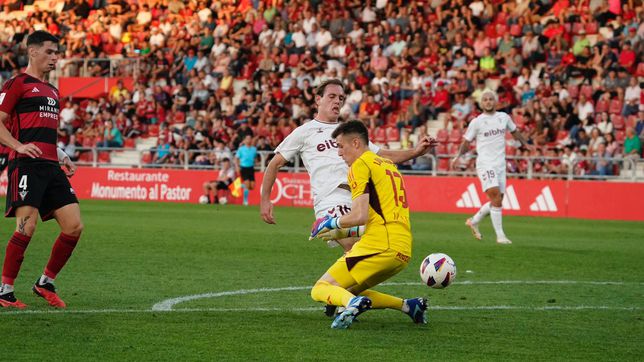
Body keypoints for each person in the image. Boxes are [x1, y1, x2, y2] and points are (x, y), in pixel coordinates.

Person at [260, 79, 435, 252]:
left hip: (360, 197)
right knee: (355, 244)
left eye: (341, 98)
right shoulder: (305, 132)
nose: (337, 101)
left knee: (371, 249)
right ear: (318, 100)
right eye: (332, 96)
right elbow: (274, 164)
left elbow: (382, 155)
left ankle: (339, 280)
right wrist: (265, 199)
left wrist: (416, 151)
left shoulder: (348, 131)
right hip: (331, 199)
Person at [308, 120, 427, 329]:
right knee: (349, 289)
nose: (339, 154)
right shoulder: (388, 165)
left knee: (319, 288)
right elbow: (377, 219)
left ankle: (351, 305)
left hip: (379, 245)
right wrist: (341, 232)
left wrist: (329, 222)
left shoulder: (360, 165)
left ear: (355, 143)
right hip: (402, 250)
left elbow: (359, 215)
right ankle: (409, 306)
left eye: (341, 147)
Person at [0, 31, 82, 309]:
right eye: (50, 52)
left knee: (74, 227)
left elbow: (44, 131)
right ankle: (5, 290)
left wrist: (62, 154)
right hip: (26, 165)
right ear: (32, 52)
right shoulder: (17, 84)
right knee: (26, 227)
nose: (55, 57)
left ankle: (45, 282)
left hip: (50, 165)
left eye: (57, 53)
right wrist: (18, 146)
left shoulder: (53, 91)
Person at [451, 89, 530, 244]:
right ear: (481, 104)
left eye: (490, 99)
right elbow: (466, 142)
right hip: (485, 164)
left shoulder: (504, 117)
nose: (488, 101)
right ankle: (500, 236)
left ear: (496, 101)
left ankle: (474, 220)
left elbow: (515, 132)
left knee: (498, 200)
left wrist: (526, 144)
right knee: (495, 196)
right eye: (485, 99)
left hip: (500, 164)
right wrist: (458, 156)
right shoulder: (477, 121)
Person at [235, 134, 257, 206]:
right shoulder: (241, 149)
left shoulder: (254, 149)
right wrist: (237, 166)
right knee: (247, 185)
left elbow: (255, 158)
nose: (249, 140)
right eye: (247, 139)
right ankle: (245, 201)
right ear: (244, 140)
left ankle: (237, 185)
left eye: (250, 138)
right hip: (244, 167)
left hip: (251, 168)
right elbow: (236, 158)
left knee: (252, 186)